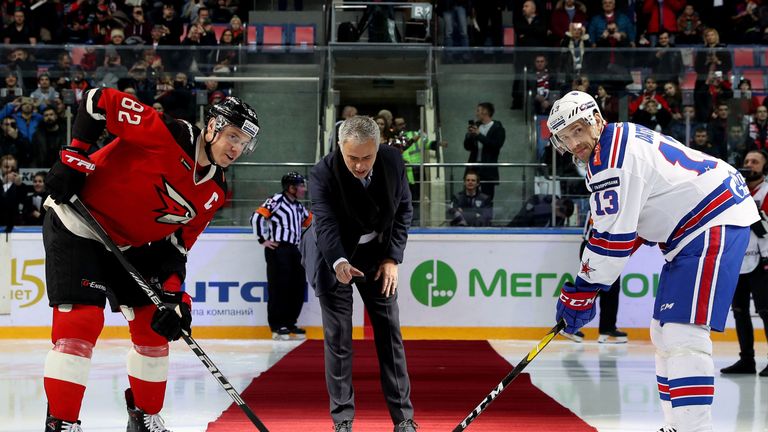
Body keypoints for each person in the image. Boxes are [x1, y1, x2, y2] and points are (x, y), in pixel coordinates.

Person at [41, 87, 260, 432]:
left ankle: (144, 418)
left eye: (243, 143)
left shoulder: (215, 190)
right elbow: (97, 100)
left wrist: (174, 297)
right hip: (77, 223)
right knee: (79, 325)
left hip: (129, 245)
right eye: (233, 136)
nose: (236, 148)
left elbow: (177, 246)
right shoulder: (170, 132)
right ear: (214, 126)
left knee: (154, 329)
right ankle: (62, 423)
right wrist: (74, 155)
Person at [548, 90, 757, 432]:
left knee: (682, 331)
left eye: (578, 130)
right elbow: (633, 221)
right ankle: (676, 425)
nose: (574, 143)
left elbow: (612, 240)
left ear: (597, 120)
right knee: (662, 331)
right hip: (700, 222)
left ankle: (694, 428)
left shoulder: (609, 160)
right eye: (565, 137)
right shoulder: (617, 141)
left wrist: (583, 290)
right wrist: (591, 282)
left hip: (713, 218)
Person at [300, 116, 417, 432]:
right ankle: (343, 420)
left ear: (378, 148)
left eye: (367, 157)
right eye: (352, 157)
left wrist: (393, 257)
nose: (360, 165)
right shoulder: (323, 172)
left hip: (376, 254)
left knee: (389, 332)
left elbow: (404, 210)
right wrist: (338, 262)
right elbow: (324, 224)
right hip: (333, 252)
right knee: (338, 337)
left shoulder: (393, 161)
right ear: (340, 147)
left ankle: (404, 418)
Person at [720, 150, 768, 377]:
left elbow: (763, 228)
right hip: (737, 260)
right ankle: (746, 359)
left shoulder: (766, 192)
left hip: (763, 260)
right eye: (747, 161)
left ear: (764, 167)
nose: (749, 165)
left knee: (766, 311)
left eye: (755, 162)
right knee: (739, 312)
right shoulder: (734, 192)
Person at [252, 171, 312, 341]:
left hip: (295, 250)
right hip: (279, 249)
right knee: (279, 287)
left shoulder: (299, 206)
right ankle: (277, 326)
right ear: (291, 188)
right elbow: (257, 217)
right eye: (300, 185)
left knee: (298, 287)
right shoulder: (276, 200)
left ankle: (290, 323)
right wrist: (262, 239)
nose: (303, 189)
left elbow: (310, 222)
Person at [464, 102, 505, 201]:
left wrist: (479, 135)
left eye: (478, 110)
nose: (476, 113)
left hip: (488, 168)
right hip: (474, 167)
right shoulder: (477, 126)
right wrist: (469, 136)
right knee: (470, 195)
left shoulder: (498, 128)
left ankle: (487, 216)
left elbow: (495, 145)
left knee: (487, 197)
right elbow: (467, 147)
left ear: (485, 112)